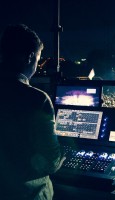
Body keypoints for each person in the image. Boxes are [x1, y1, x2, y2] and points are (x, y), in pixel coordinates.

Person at [0, 24, 65, 199]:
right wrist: (65, 151)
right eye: (38, 59)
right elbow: (51, 163)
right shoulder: (37, 99)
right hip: (26, 193)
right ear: (29, 58)